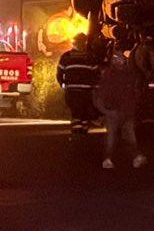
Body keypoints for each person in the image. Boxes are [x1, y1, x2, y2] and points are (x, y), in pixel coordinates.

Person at [94, 41, 147, 170]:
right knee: (112, 137)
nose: (121, 61)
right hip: (114, 111)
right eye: (118, 59)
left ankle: (135, 157)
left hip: (124, 111)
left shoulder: (126, 75)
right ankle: (108, 159)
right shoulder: (109, 75)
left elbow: (133, 92)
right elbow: (100, 95)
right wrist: (106, 111)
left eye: (122, 59)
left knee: (128, 136)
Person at [58, 33, 102, 133]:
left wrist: (63, 84)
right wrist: (96, 87)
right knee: (83, 113)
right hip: (85, 91)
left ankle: (77, 134)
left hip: (72, 90)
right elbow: (96, 74)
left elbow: (60, 73)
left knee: (76, 113)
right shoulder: (90, 57)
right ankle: (82, 135)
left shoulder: (66, 57)